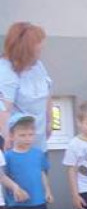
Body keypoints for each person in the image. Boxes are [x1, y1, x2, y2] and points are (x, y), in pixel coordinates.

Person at [0, 23, 52, 151]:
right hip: (18, 149)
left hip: (38, 143)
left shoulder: (37, 65)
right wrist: (6, 138)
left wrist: (50, 122)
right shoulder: (6, 72)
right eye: (38, 43)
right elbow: (4, 109)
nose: (42, 47)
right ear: (26, 48)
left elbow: (47, 95)